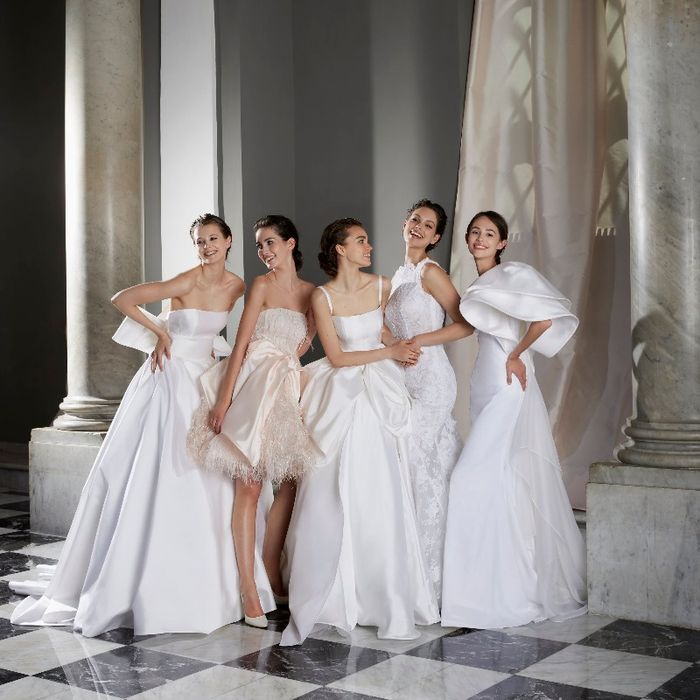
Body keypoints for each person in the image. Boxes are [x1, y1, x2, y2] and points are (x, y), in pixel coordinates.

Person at [10, 213, 272, 636]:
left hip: (204, 379)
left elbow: (218, 334)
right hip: (170, 379)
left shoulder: (237, 285)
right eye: (199, 241)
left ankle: (221, 584)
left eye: (212, 239)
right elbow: (123, 298)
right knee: (167, 470)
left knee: (213, 476)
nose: (206, 247)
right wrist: (162, 333)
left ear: (228, 241)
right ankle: (148, 579)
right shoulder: (185, 281)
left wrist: (219, 356)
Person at [280, 217, 439, 646]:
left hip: (378, 394)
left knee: (378, 489)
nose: (369, 247)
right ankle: (333, 593)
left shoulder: (384, 286)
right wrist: (389, 351)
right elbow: (336, 355)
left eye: (367, 241)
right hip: (342, 392)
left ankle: (382, 594)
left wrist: (400, 349)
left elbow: (382, 331)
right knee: (330, 488)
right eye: (360, 241)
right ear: (340, 249)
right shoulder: (322, 296)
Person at [441, 210, 587, 629]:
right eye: (475, 232)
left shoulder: (512, 274)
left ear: (502, 243)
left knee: (470, 477)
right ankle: (498, 580)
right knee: (499, 478)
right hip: (483, 382)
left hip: (508, 382)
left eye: (490, 234)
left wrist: (517, 354)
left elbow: (546, 319)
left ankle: (496, 590)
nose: (481, 238)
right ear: (467, 240)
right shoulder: (477, 282)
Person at [187, 214, 317, 629]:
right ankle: (248, 591)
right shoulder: (260, 285)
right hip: (250, 383)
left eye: (270, 242)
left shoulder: (313, 294)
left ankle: (270, 568)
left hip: (284, 388)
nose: (263, 251)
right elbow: (241, 343)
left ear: (291, 243)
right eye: (259, 245)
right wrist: (224, 402)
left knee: (292, 480)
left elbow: (304, 346)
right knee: (250, 484)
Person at [384, 198, 472, 603]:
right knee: (406, 464)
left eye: (428, 225)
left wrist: (420, 340)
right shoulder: (399, 274)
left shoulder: (430, 272)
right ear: (405, 223)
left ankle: (433, 579)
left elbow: (465, 324)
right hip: (402, 379)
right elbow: (385, 328)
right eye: (414, 219)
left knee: (422, 466)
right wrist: (394, 345)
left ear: (435, 238)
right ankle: (405, 571)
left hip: (433, 381)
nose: (418, 226)